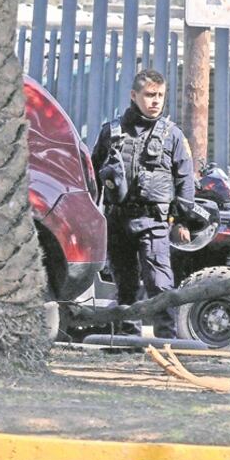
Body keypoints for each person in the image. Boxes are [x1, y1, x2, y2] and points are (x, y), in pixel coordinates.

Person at [92, 69, 199, 339]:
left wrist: (182, 221)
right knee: (125, 286)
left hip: (154, 222)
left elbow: (185, 180)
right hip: (118, 221)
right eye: (150, 95)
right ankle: (127, 339)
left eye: (160, 95)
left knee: (159, 283)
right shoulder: (111, 132)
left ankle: (166, 340)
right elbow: (92, 176)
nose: (156, 101)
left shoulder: (172, 135)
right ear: (134, 95)